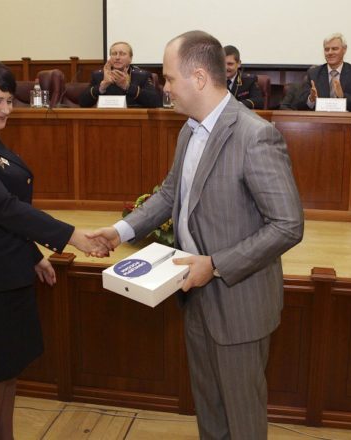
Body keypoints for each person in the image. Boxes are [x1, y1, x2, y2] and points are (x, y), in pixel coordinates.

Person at [89, 31, 304, 439]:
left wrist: (217, 265)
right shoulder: (189, 129)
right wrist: (120, 231)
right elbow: (171, 193)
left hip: (239, 304)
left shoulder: (255, 135)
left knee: (242, 418)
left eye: (170, 79)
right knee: (209, 410)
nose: (165, 88)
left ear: (199, 78)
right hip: (194, 294)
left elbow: (288, 225)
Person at [0, 57, 108, 440]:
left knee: (8, 371)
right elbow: (1, 206)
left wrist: (32, 255)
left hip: (7, 271)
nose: (6, 109)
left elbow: (5, 214)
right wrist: (72, 236)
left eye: (10, 100)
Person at [295, 33, 351, 112]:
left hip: (346, 119)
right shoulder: (313, 74)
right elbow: (299, 105)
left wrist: (342, 96)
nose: (330, 53)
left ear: (344, 49)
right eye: (327, 49)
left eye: (334, 49)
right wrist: (311, 99)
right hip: (320, 119)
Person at [79, 41, 160, 108]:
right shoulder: (99, 75)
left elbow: (155, 102)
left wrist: (127, 86)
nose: (117, 57)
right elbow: (82, 103)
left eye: (122, 54)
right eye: (114, 54)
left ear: (130, 58)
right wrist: (101, 87)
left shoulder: (142, 76)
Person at [224, 45, 264, 109]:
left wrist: (238, 105)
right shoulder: (213, 81)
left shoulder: (249, 80)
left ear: (239, 64)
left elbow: (258, 101)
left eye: (230, 64)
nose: (225, 68)